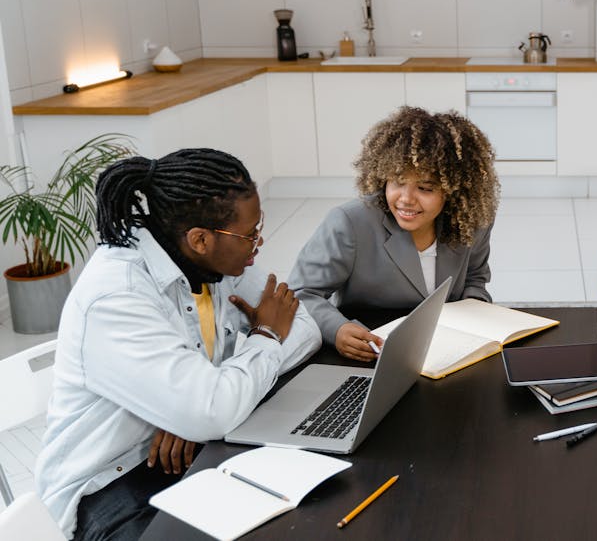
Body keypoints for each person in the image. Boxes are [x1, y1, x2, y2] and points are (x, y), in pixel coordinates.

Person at [35, 148, 321, 540]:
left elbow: (304, 328)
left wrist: (200, 403)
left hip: (196, 454)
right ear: (200, 239)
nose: (258, 242)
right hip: (111, 488)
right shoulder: (117, 297)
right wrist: (264, 339)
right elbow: (214, 405)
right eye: (250, 234)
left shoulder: (217, 262)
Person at [290, 106, 500, 361]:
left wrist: (474, 314)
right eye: (397, 182)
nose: (406, 199)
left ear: (454, 190)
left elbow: (475, 279)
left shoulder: (471, 220)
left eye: (425, 188)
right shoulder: (350, 222)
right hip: (369, 349)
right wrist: (337, 329)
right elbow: (301, 293)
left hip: (444, 350)